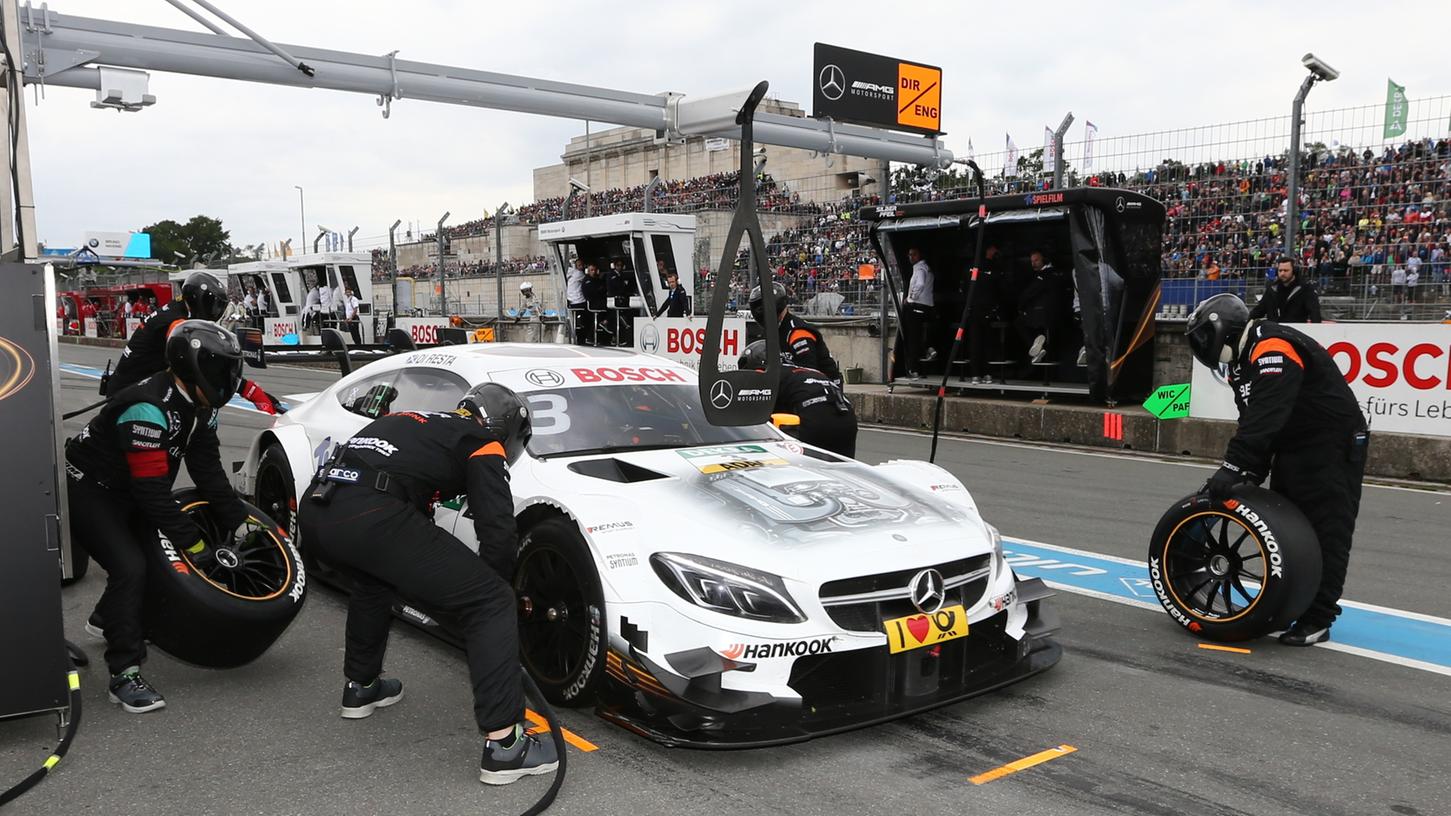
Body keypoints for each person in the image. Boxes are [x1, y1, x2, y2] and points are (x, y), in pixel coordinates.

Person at [298, 383, 558, 785]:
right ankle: (506, 747)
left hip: (318, 513)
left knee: (375, 580)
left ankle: (362, 687)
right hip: (370, 514)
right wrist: (492, 596)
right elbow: (498, 532)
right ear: (505, 428)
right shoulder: (482, 441)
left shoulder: (408, 421)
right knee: (491, 601)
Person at [66, 321, 251, 711]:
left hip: (129, 489)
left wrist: (238, 518)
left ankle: (107, 618)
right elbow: (151, 493)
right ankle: (124, 674)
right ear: (192, 367)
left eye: (230, 370)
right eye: (219, 370)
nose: (227, 378)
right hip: (88, 489)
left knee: (147, 557)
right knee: (132, 567)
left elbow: (207, 470)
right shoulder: (146, 408)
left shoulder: (203, 406)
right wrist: (195, 543)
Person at [1185, 293, 1368, 646]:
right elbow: (1253, 421)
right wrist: (1245, 474)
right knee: (1290, 528)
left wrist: (1232, 467)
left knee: (1326, 529)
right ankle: (1291, 604)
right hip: (1296, 444)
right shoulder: (1243, 361)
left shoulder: (1272, 347)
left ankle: (1319, 617)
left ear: (1221, 330)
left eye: (1204, 339)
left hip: (1332, 443)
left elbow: (1265, 419)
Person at [106, 272, 285, 414]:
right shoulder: (177, 323)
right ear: (197, 298)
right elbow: (199, 365)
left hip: (138, 384)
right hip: (131, 394)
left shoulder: (178, 308)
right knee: (200, 410)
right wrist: (248, 390)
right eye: (212, 304)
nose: (215, 312)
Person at [739, 341, 857, 457]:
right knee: (843, 468)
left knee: (799, 465)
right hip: (847, 417)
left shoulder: (765, 373)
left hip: (815, 416)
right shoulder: (808, 371)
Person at [749, 281, 842, 387]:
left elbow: (808, 373)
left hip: (824, 387)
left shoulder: (797, 332)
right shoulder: (773, 331)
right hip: (802, 384)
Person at [1014, 250, 1067, 364]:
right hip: (1057, 315)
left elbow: (1028, 294)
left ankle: (1037, 342)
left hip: (1043, 314)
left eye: (1036, 260)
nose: (1033, 263)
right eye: (1032, 261)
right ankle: (1038, 345)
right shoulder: (1059, 273)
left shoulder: (1044, 275)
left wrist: (1021, 307)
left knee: (1019, 322)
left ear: (1044, 259)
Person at [967, 244, 1006, 384]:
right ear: (989, 250)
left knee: (981, 342)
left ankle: (981, 374)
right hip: (981, 309)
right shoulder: (987, 267)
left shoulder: (979, 266)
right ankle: (981, 374)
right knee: (981, 342)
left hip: (981, 309)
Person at [1249, 257, 1322, 323]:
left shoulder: (1305, 289)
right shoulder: (1272, 289)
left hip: (1296, 332)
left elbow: (1315, 313)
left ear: (1294, 271)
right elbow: (1258, 311)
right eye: (1280, 270)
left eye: (1286, 270)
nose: (1282, 273)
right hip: (1273, 332)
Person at [900, 247, 936, 378]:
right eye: (909, 255)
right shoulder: (927, 268)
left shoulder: (920, 269)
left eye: (914, 255)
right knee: (920, 334)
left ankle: (914, 369)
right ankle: (928, 348)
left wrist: (911, 298)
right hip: (927, 306)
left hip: (916, 306)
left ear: (920, 255)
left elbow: (920, 284)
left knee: (912, 338)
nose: (911, 258)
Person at [565, 258, 588, 342]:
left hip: (571, 300)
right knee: (587, 317)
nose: (581, 267)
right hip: (578, 300)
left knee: (576, 320)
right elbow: (588, 279)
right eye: (579, 265)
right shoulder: (580, 274)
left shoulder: (571, 272)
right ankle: (585, 336)